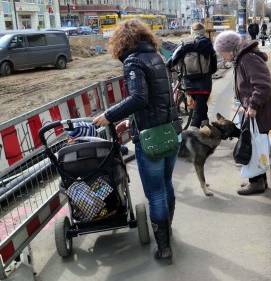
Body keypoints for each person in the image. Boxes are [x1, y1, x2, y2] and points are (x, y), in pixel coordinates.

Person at [92, 19, 181, 264]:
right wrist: (130, 122)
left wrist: (108, 115)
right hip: (172, 132)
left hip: (152, 139)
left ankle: (164, 248)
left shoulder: (133, 62)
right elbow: (157, 100)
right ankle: (168, 231)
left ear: (121, 41)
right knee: (166, 184)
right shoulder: (157, 58)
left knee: (155, 193)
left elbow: (140, 98)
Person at [213, 31, 271, 195]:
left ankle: (257, 183)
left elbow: (263, 85)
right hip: (257, 110)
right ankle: (258, 180)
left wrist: (252, 105)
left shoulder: (247, 59)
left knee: (254, 145)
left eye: (221, 52)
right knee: (256, 145)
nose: (222, 56)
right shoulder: (242, 58)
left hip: (260, 111)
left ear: (230, 49)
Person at [166, 23, 218, 129]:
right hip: (204, 82)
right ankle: (192, 133)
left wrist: (172, 69)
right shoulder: (206, 43)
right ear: (203, 32)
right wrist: (209, 73)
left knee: (200, 106)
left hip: (189, 82)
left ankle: (206, 127)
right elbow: (214, 65)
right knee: (198, 109)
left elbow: (171, 61)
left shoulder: (184, 43)